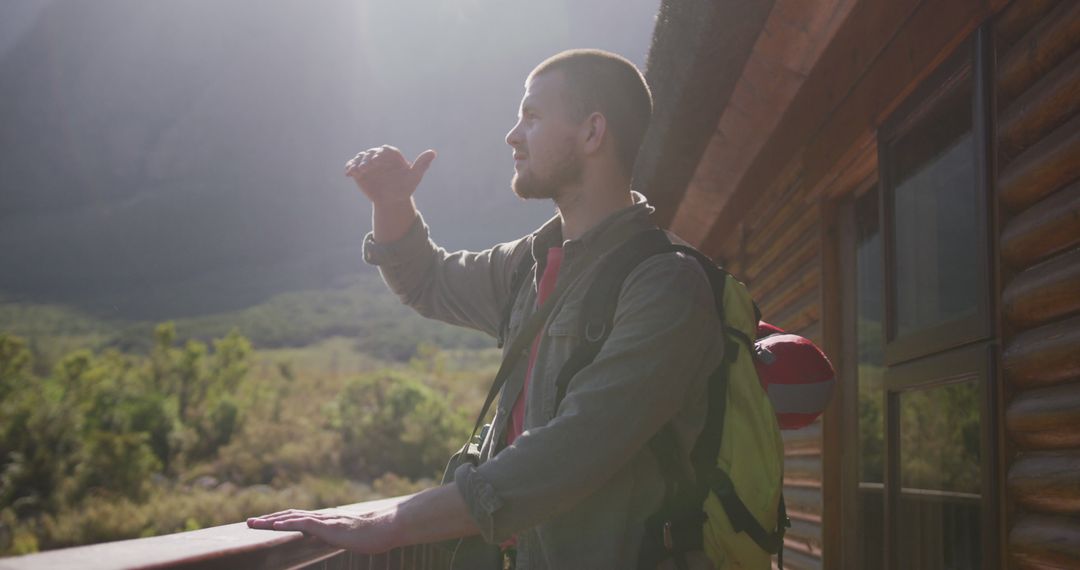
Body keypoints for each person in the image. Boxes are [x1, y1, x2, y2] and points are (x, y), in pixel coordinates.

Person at [248, 49, 722, 569]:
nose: (512, 135)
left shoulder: (667, 284)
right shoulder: (531, 264)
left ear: (592, 133)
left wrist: (391, 523)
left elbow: (572, 449)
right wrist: (391, 203)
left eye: (532, 116)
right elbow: (428, 282)